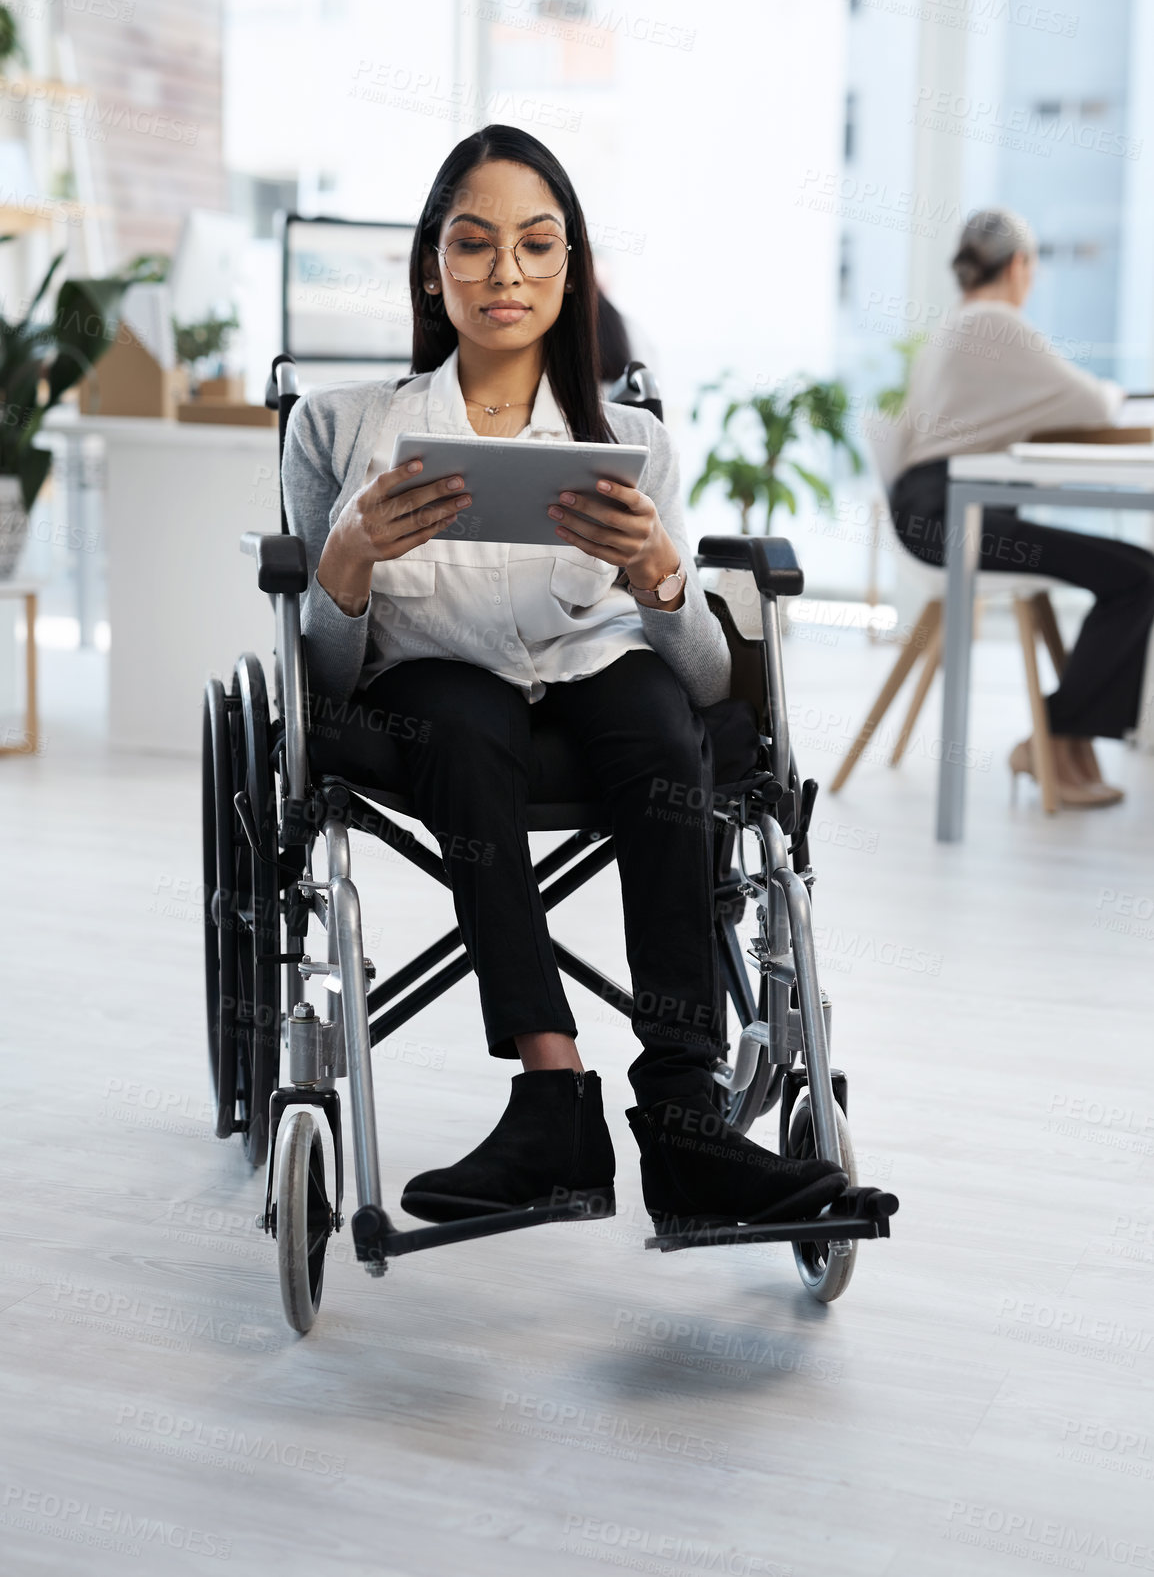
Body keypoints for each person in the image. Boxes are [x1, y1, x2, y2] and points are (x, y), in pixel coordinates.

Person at [282, 124, 845, 1231]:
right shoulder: (340, 425)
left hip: (597, 679)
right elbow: (320, 677)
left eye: (538, 246)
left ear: (571, 268)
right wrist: (346, 559)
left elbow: (697, 673)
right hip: (435, 690)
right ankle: (551, 1097)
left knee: (649, 711)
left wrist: (656, 574)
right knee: (462, 717)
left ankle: (686, 1115)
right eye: (475, 243)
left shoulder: (631, 437)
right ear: (431, 264)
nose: (505, 273)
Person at [888, 207, 1154, 808]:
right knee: (1138, 576)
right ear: (1020, 265)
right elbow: (1092, 404)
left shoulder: (955, 324)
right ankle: (1055, 736)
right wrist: (1116, 393)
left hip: (938, 513)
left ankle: (1065, 738)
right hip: (953, 519)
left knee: (1135, 573)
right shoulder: (996, 323)